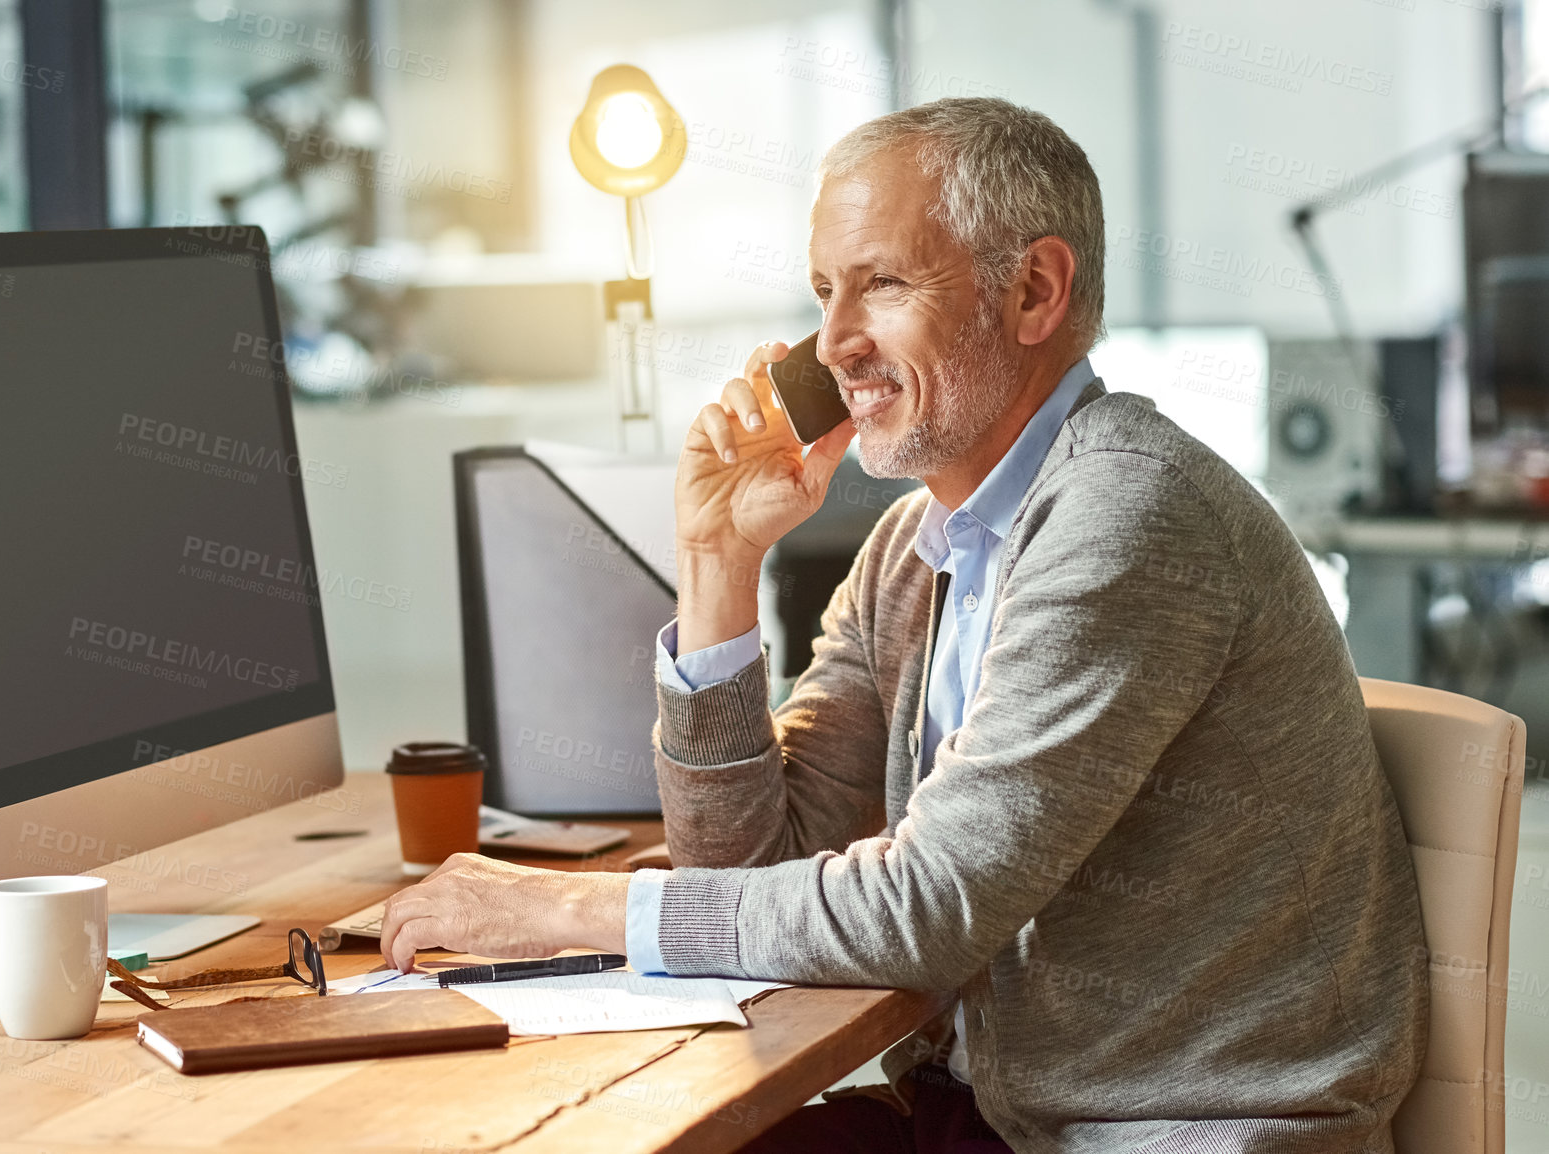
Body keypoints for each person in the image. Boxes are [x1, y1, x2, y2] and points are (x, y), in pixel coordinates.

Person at [378, 97, 1427, 1153]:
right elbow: (741, 881)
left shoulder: (1130, 516)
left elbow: (928, 906)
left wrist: (568, 913)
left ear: (1033, 291)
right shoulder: (910, 549)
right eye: (823, 291)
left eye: (880, 284)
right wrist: (717, 564)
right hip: (987, 1120)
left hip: (1165, 1135)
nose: (831, 344)